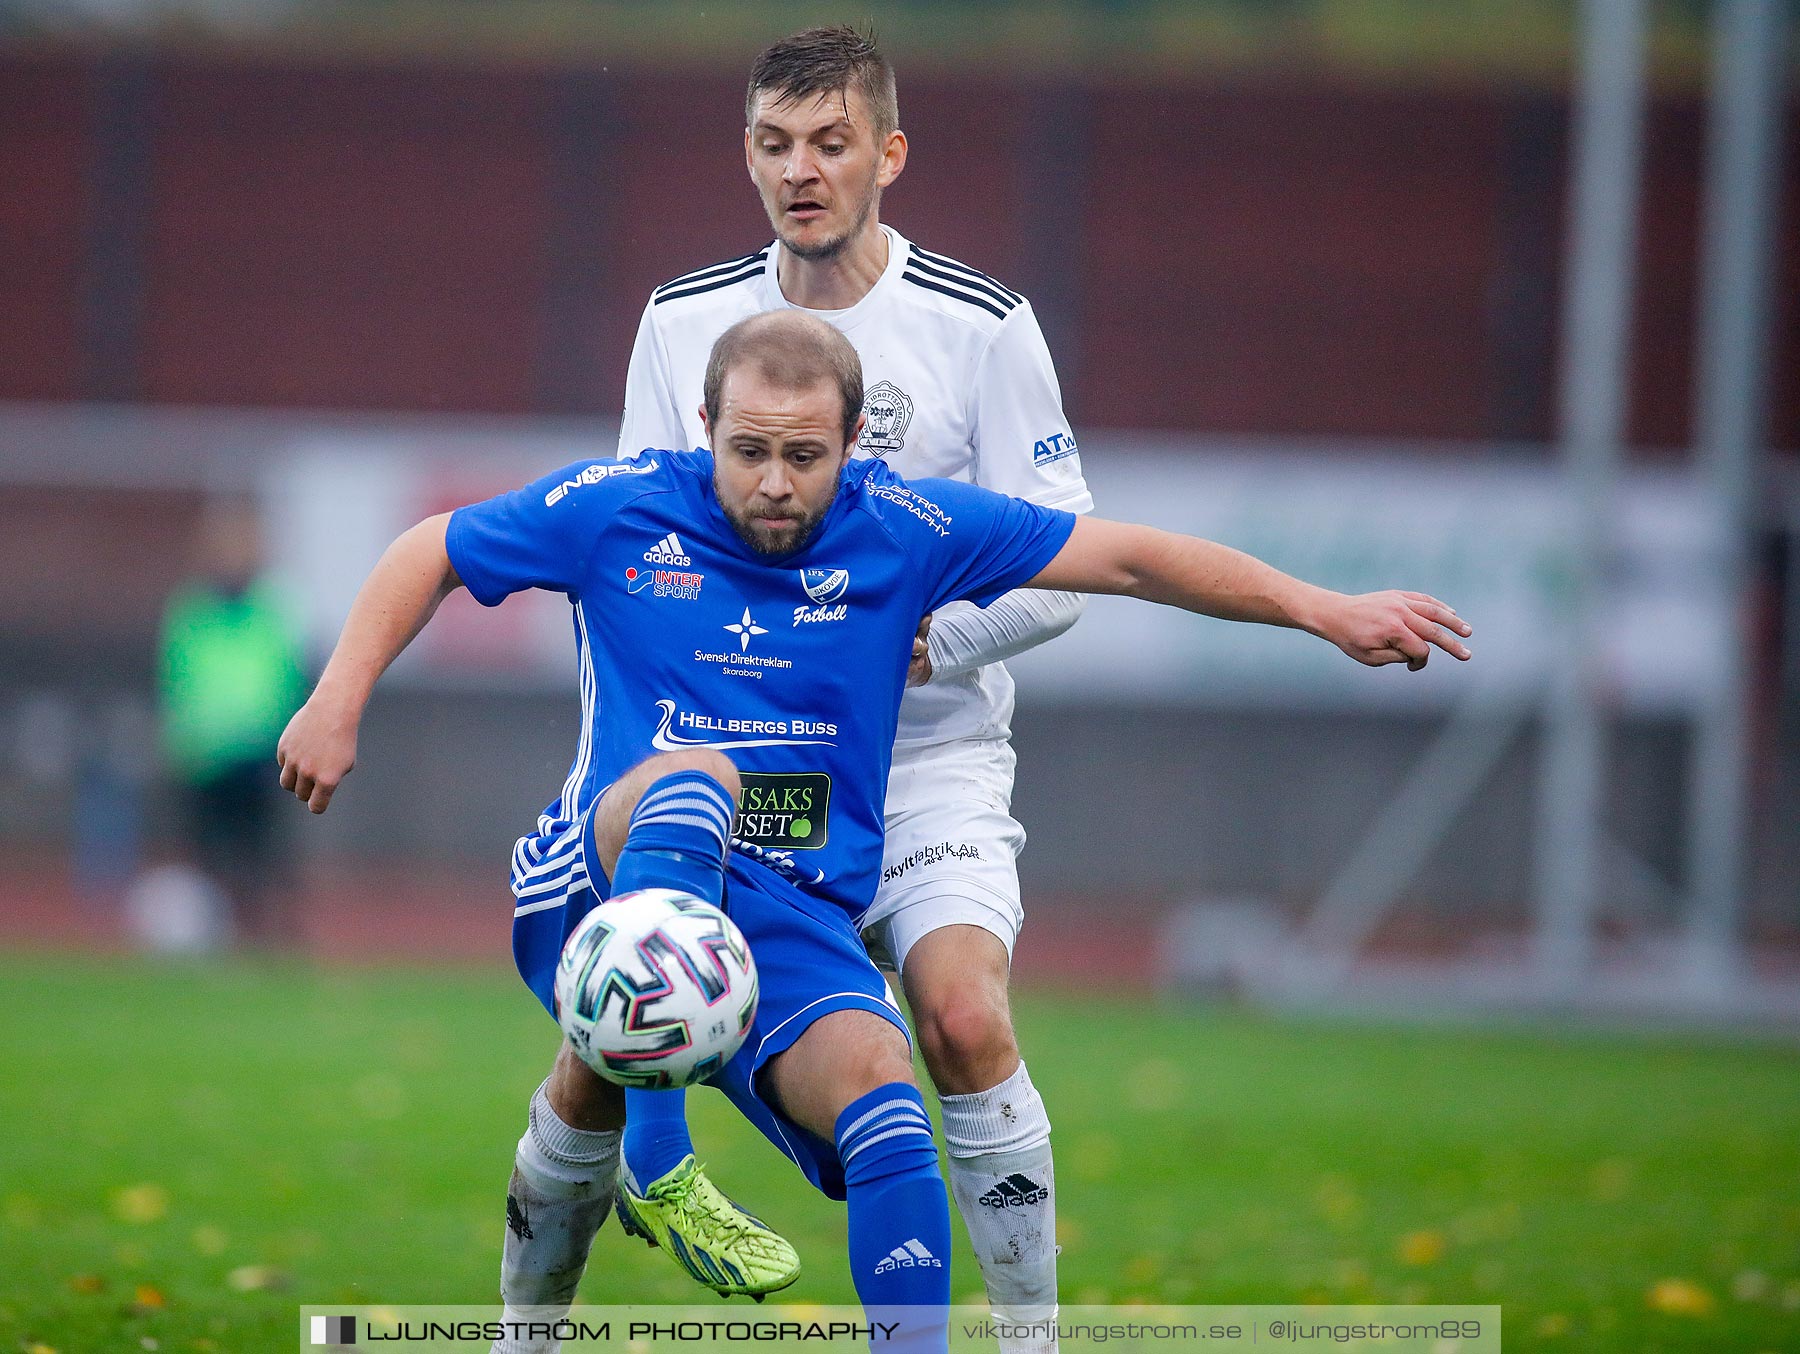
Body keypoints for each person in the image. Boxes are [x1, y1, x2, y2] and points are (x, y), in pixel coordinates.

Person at [276, 312, 1471, 1351]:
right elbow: (428, 546)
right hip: (598, 870)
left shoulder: (904, 525)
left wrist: (1321, 607)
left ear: (853, 446)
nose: (777, 481)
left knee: (892, 1102)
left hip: (792, 905)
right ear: (706, 427)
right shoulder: (620, 507)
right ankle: (662, 1158)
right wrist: (337, 700)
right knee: (695, 782)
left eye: (805, 455)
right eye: (749, 451)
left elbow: (1130, 557)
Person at [614, 27, 1095, 1331]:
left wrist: (933, 638)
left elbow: (1069, 553)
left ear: (888, 152)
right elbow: (640, 550)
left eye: (830, 142)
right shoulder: (681, 322)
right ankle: (532, 1302)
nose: (800, 170)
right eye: (774, 143)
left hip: (929, 759)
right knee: (601, 1053)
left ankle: (1031, 1334)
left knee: (961, 1022)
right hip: (753, 773)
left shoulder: (980, 326)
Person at [158, 496, 307, 947]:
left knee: (267, 854)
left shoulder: (274, 607)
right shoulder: (190, 610)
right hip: (205, 756)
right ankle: (214, 938)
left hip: (262, 754)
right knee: (209, 855)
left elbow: (288, 676)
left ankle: (269, 938)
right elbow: (177, 680)